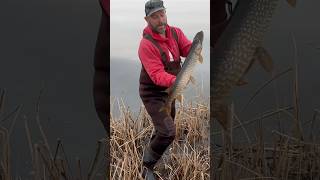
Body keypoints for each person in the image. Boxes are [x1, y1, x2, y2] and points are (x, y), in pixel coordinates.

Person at [138, 0, 193, 179]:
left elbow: (187, 49)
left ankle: (153, 149)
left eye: (162, 14)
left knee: (163, 128)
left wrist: (195, 49)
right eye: (155, 17)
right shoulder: (146, 45)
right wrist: (178, 80)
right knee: (168, 132)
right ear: (147, 19)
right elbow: (156, 75)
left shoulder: (175, 33)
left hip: (171, 91)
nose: (161, 20)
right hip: (153, 94)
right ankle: (146, 166)